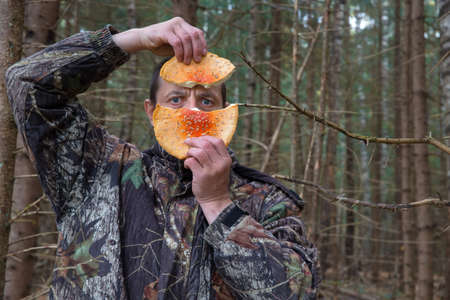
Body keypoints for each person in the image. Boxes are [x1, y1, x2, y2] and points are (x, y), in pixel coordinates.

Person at [6, 17, 319, 299]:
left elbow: (297, 293)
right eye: (176, 98)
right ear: (151, 112)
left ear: (226, 114)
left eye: (207, 99)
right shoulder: (97, 168)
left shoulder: (267, 201)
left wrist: (217, 203)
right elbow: (26, 81)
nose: (193, 110)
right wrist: (134, 39)